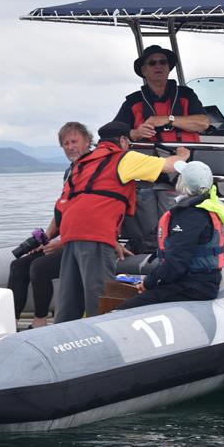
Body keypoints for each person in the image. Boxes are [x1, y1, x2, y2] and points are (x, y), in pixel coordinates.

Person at [54, 121, 191, 323]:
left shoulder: (83, 163)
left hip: (70, 233)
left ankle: (60, 339)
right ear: (124, 140)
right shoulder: (123, 157)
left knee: (69, 302)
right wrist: (183, 155)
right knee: (100, 299)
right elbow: (170, 166)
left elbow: (63, 205)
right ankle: (103, 342)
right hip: (95, 233)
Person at [7, 122, 93, 329]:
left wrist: (62, 242)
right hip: (65, 238)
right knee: (18, 266)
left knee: (39, 268)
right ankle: (8, 322)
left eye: (74, 141)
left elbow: (90, 216)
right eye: (65, 144)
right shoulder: (70, 172)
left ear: (88, 142)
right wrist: (45, 238)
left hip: (82, 242)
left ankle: (40, 322)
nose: (70, 147)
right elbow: (62, 210)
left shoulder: (94, 170)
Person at [116, 161, 224, 310]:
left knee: (122, 310)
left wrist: (149, 282)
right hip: (199, 283)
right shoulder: (206, 208)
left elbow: (176, 263)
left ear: (182, 182)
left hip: (192, 287)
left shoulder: (190, 215)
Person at [113, 45, 210, 143]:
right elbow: (112, 134)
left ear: (168, 67)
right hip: (148, 157)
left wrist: (167, 119)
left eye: (163, 62)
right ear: (143, 70)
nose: (158, 66)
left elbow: (203, 123)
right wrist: (135, 133)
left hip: (189, 156)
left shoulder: (186, 94)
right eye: (152, 63)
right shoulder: (133, 101)